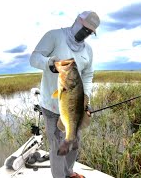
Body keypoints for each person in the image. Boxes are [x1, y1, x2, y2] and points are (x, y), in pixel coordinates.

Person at [29, 11, 100, 178]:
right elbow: (34, 58)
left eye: (90, 32)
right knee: (57, 146)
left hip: (75, 105)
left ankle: (69, 173)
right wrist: (48, 63)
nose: (86, 33)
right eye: (85, 28)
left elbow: (88, 75)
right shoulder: (54, 36)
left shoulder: (88, 50)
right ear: (77, 21)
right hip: (52, 106)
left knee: (74, 142)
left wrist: (86, 98)